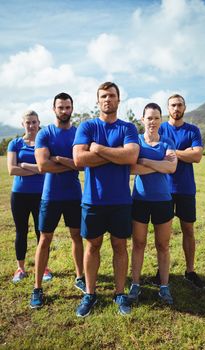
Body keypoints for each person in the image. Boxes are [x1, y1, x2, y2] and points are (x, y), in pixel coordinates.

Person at [73, 82, 139, 317]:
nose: (107, 99)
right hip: (93, 200)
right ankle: (90, 293)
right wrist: (116, 155)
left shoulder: (128, 128)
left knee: (120, 246)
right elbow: (79, 160)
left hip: (121, 201)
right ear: (98, 100)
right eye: (103, 96)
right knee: (92, 246)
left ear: (118, 100)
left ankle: (120, 293)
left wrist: (99, 149)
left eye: (112, 96)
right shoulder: (87, 126)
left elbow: (131, 156)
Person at [29, 92, 85, 309]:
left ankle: (80, 276)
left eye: (67, 107)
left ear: (72, 108)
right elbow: (43, 166)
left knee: (76, 237)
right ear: (54, 109)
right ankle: (37, 288)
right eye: (60, 107)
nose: (64, 111)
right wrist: (71, 163)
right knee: (44, 240)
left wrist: (60, 158)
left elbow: (82, 165)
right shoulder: (45, 133)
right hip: (50, 196)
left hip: (73, 195)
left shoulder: (79, 133)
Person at [128, 103, 177, 305]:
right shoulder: (136, 141)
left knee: (162, 245)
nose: (153, 122)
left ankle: (164, 287)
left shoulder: (167, 142)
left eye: (157, 118)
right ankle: (135, 285)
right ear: (142, 120)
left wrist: (145, 162)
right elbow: (131, 168)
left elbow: (171, 168)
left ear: (161, 120)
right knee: (138, 244)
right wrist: (159, 165)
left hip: (163, 200)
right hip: (140, 200)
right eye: (149, 118)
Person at [158, 94, 205, 288]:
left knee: (188, 230)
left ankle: (190, 270)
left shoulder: (192, 130)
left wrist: (174, 152)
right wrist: (185, 152)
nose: (176, 108)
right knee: (163, 234)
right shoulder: (160, 129)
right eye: (172, 105)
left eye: (179, 105)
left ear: (185, 107)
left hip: (186, 188)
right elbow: (156, 152)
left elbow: (197, 156)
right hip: (163, 189)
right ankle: (161, 272)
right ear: (167, 108)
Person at [7, 110, 52, 283]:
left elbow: (46, 168)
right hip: (19, 195)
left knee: (41, 232)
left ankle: (45, 268)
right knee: (21, 231)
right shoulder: (15, 143)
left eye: (34, 122)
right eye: (28, 123)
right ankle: (21, 268)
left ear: (39, 123)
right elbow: (12, 169)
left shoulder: (44, 143)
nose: (31, 126)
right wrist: (37, 168)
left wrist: (24, 164)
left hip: (41, 195)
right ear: (23, 124)